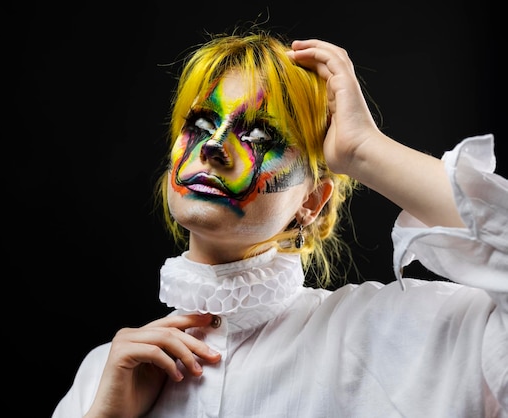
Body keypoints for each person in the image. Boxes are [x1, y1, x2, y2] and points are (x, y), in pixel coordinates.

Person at [52, 29, 508, 417]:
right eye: (201, 122)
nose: (212, 147)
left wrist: (364, 150)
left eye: (257, 135)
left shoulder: (400, 332)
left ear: (311, 201)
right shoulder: (107, 372)